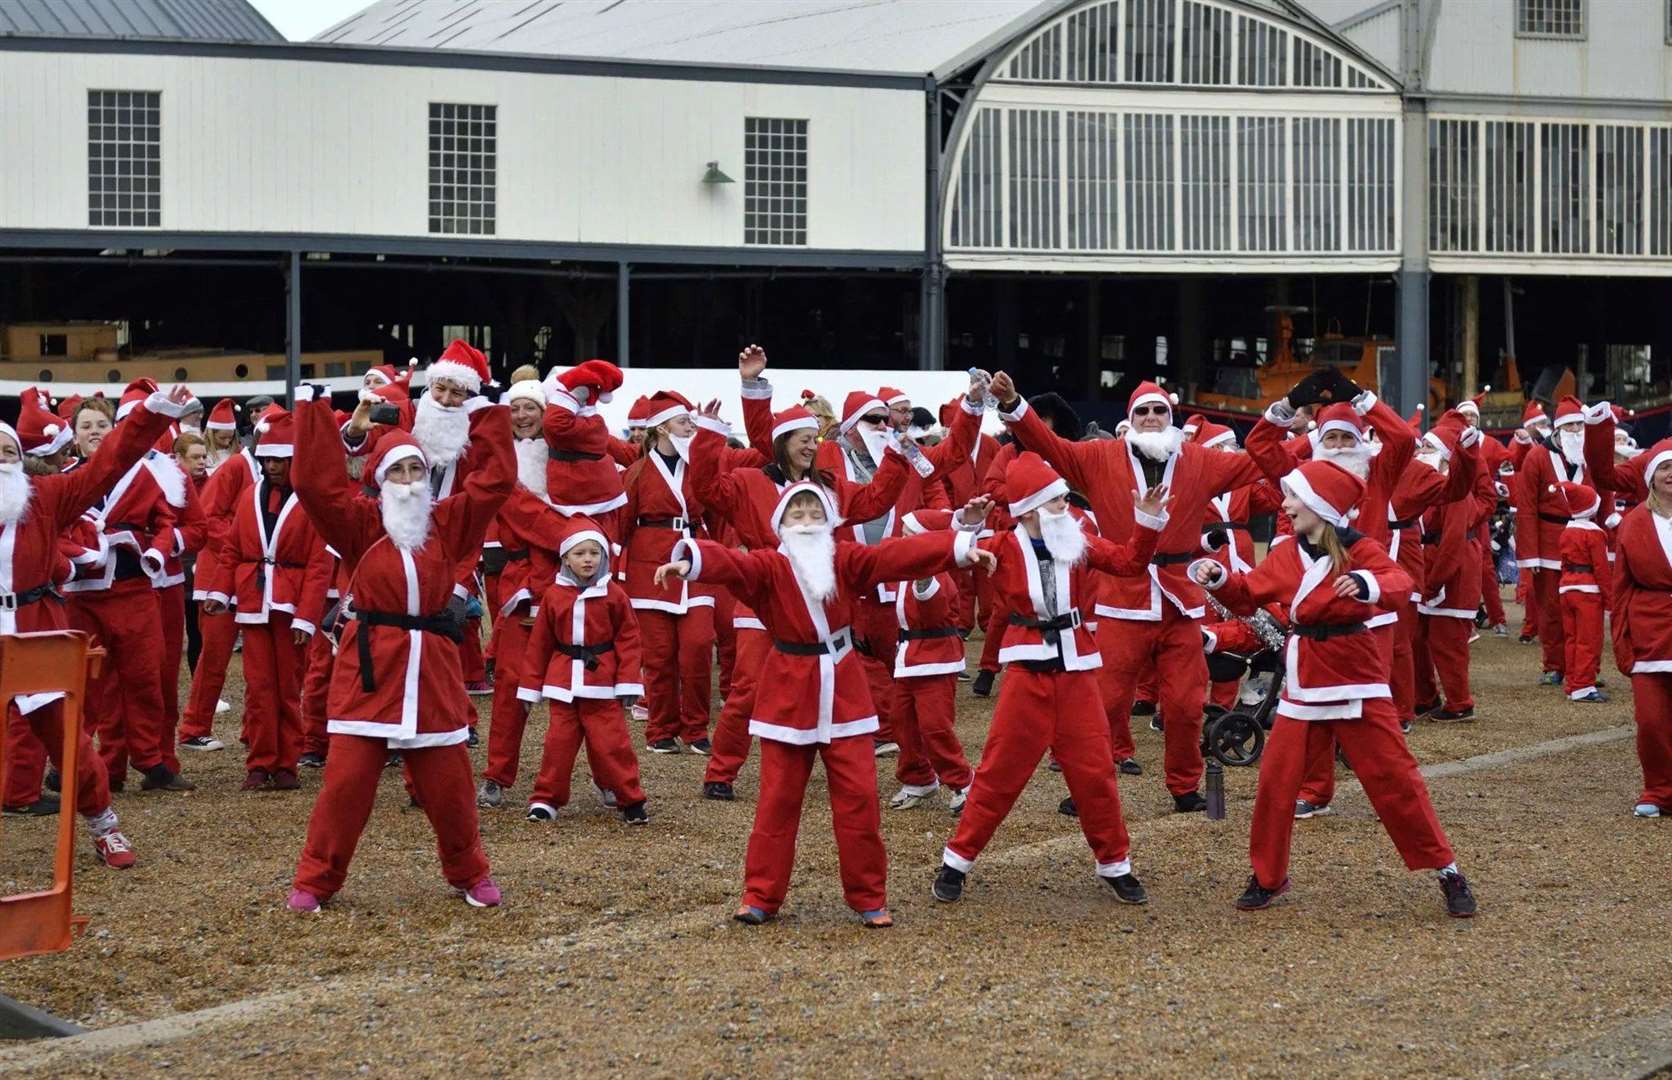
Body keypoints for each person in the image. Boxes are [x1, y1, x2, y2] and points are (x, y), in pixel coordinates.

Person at [655, 482, 994, 928]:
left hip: (845, 691)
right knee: (777, 801)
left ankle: (869, 896)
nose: (807, 522)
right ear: (780, 524)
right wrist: (689, 560)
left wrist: (961, 544)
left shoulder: (847, 560)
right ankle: (760, 895)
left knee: (859, 800)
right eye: (797, 514)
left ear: (831, 521)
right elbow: (731, 563)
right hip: (787, 692)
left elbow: (895, 556)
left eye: (816, 513)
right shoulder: (767, 566)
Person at [1190, 459, 1477, 918]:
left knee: (1397, 780)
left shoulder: (1360, 548)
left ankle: (1447, 870)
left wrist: (1366, 584)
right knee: (1275, 784)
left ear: (1322, 505)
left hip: (1357, 679)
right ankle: (1267, 877)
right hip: (1306, 682)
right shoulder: (1287, 553)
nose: (1285, 505)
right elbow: (1248, 596)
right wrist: (1220, 579)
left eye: (1295, 497)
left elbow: (1401, 583)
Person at [989, 371, 1265, 811]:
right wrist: (1013, 404)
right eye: (1144, 411)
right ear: (1129, 418)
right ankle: (1087, 787)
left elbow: (1261, 460)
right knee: (1106, 703)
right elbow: (1048, 445)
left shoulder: (1201, 460)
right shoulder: (1099, 457)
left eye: (1160, 411)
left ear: (1171, 417)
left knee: (1186, 705)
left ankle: (1184, 786)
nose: (1153, 418)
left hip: (1181, 599)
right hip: (1122, 596)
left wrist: (1306, 428)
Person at [285, 384, 512, 913]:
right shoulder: (360, 526)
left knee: (452, 792)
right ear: (380, 481)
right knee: (345, 788)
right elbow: (314, 484)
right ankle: (316, 881)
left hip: (431, 672)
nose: (408, 483)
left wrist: (486, 412)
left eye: (415, 472)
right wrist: (315, 411)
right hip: (371, 670)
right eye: (397, 473)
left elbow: (496, 480)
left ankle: (469, 873)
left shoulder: (447, 524)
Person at [932, 453, 1167, 906]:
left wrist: (1148, 523)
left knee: (1095, 772)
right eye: (1057, 499)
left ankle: (1115, 864)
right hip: (1027, 672)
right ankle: (957, 862)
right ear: (1032, 507)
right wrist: (966, 524)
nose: (1067, 505)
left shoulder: (1077, 539)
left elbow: (1130, 563)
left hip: (1076, 671)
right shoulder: (1000, 545)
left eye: (1063, 497)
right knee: (1000, 773)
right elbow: (942, 550)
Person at [0, 384, 195, 865]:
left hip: (34, 629)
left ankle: (104, 826)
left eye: (8, 452)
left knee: (69, 739)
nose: (2, 460)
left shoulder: (45, 498)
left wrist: (151, 415)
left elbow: (109, 461)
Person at [62, 385, 193, 793]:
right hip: (83, 597)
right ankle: (84, 763)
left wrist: (151, 549)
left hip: (134, 590)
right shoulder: (65, 480)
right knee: (84, 684)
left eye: (102, 424)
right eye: (86, 426)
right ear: (74, 434)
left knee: (144, 679)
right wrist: (85, 552)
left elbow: (166, 523)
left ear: (114, 429)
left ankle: (150, 759)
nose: (95, 431)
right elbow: (51, 532)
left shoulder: (142, 478)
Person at [201, 411, 331, 790]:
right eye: (267, 460)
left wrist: (307, 618)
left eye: (279, 460)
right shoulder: (247, 497)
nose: (272, 467)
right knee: (258, 689)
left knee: (289, 689)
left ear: (294, 461)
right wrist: (219, 593)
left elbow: (319, 566)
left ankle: (287, 763)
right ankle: (259, 762)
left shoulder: (311, 503)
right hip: (254, 603)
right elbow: (232, 551)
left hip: (289, 609)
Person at [518, 518, 648, 824]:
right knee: (557, 746)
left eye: (594, 552)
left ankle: (630, 799)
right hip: (563, 684)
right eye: (579, 553)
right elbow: (539, 644)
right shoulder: (553, 595)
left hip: (601, 684)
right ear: (565, 558)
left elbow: (630, 640)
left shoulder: (615, 595)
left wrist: (629, 682)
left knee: (613, 745)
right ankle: (545, 799)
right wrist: (530, 687)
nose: (587, 559)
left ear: (603, 556)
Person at [1579, 409, 1672, 816]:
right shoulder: (1635, 522)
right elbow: (1622, 588)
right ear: (1649, 476)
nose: (1671, 474)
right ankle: (1659, 790)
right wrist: (1621, 643)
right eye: (1665, 468)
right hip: (1650, 633)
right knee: (1651, 723)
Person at [621, 391, 717, 755]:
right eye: (683, 422)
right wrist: (613, 574)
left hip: (695, 561)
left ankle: (696, 728)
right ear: (661, 427)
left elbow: (718, 511)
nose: (690, 427)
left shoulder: (700, 466)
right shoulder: (636, 473)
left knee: (696, 648)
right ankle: (660, 729)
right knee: (658, 655)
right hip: (649, 568)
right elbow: (620, 525)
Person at [885, 509, 977, 814]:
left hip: (936, 660)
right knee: (902, 722)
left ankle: (963, 782)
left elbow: (933, 612)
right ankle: (918, 778)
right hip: (909, 657)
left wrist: (923, 580)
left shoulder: (935, 574)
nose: (902, 540)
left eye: (909, 535)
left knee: (934, 726)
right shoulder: (905, 569)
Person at [1514, 396, 1589, 686]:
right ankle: (1555, 665)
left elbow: (1603, 495)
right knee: (1551, 609)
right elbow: (1527, 508)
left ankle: (1582, 667)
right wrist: (1529, 555)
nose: (1575, 432)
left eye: (1580, 426)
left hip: (1583, 540)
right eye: (1569, 426)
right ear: (1557, 429)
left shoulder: (1588, 455)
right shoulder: (1536, 457)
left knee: (1585, 609)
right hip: (1548, 543)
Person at [1550, 481, 1610, 704]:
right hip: (1588, 590)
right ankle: (1583, 686)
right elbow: (1602, 569)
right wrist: (1610, 599)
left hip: (1567, 588)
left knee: (1572, 639)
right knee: (1588, 639)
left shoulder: (1567, 532)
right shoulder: (1595, 534)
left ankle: (1573, 682)